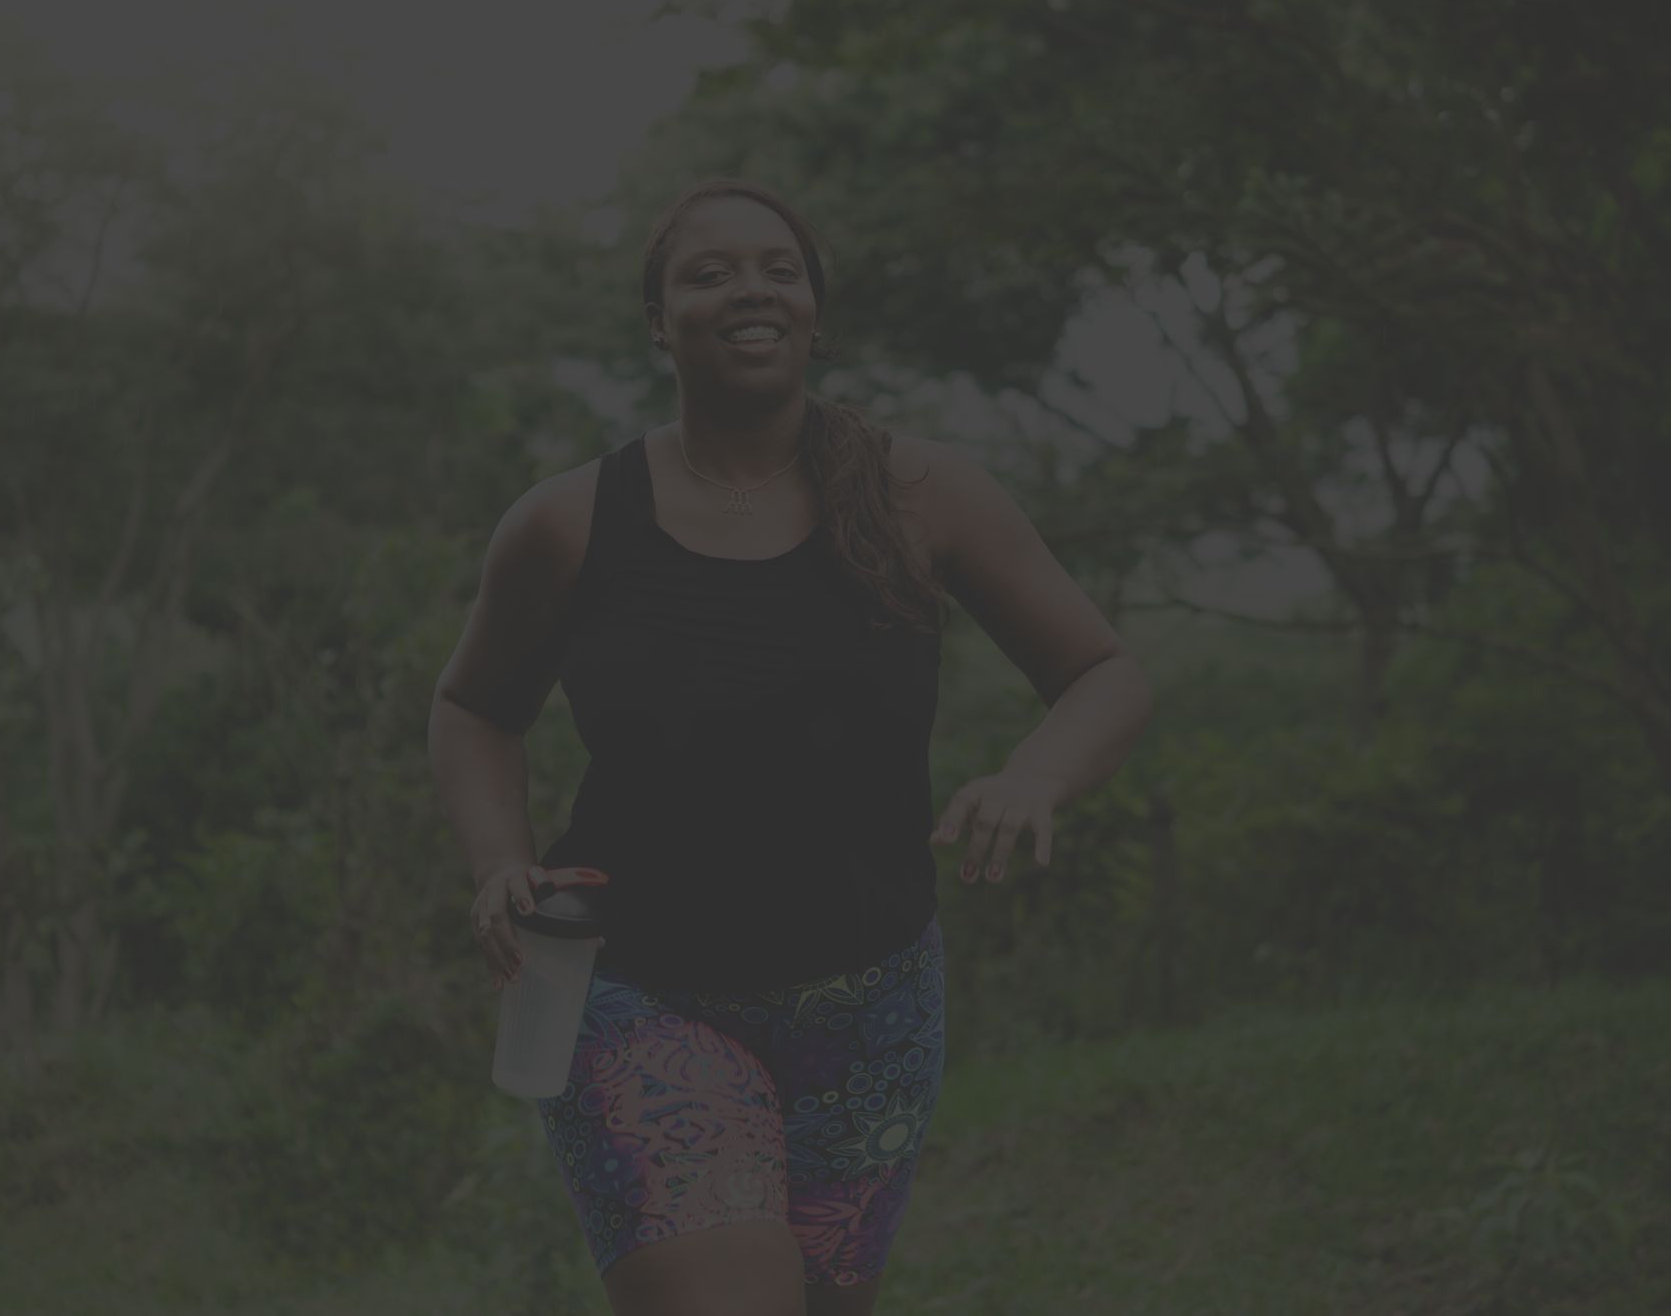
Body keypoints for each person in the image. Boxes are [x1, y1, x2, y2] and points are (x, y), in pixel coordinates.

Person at [429, 177, 1153, 1316]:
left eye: (777, 267)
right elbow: (474, 707)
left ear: (815, 310)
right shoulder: (568, 521)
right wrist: (494, 863)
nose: (748, 288)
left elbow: (1102, 672)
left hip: (871, 1002)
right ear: (659, 323)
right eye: (707, 272)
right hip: (634, 990)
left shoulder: (922, 494)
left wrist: (1035, 773)